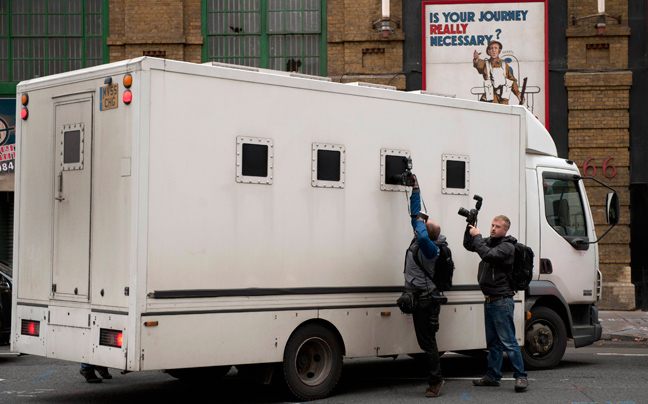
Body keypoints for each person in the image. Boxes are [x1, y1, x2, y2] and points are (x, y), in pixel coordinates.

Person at [463, 215, 529, 392]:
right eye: (492, 225)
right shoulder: (490, 242)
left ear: (505, 230)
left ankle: (521, 377)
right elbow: (469, 245)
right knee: (493, 343)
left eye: (497, 226)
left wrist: (477, 236)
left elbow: (487, 255)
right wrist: (470, 225)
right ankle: (492, 376)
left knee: (508, 341)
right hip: (490, 300)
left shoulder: (507, 247)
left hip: (502, 300)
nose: (493, 228)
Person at [404, 176, 447, 397]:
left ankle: (436, 381)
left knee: (428, 343)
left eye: (420, 227)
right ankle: (435, 378)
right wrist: (416, 189)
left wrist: (420, 223)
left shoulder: (432, 250)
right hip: (418, 298)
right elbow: (415, 214)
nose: (416, 227)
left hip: (425, 301)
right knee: (425, 342)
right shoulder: (422, 238)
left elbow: (421, 233)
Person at [473, 40, 524, 105]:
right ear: (489, 52)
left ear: (499, 51)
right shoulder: (485, 64)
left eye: (496, 48)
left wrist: (518, 93)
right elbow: (479, 64)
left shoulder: (504, 65)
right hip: (490, 99)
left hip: (503, 99)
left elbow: (511, 80)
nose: (493, 50)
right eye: (491, 48)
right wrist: (476, 59)